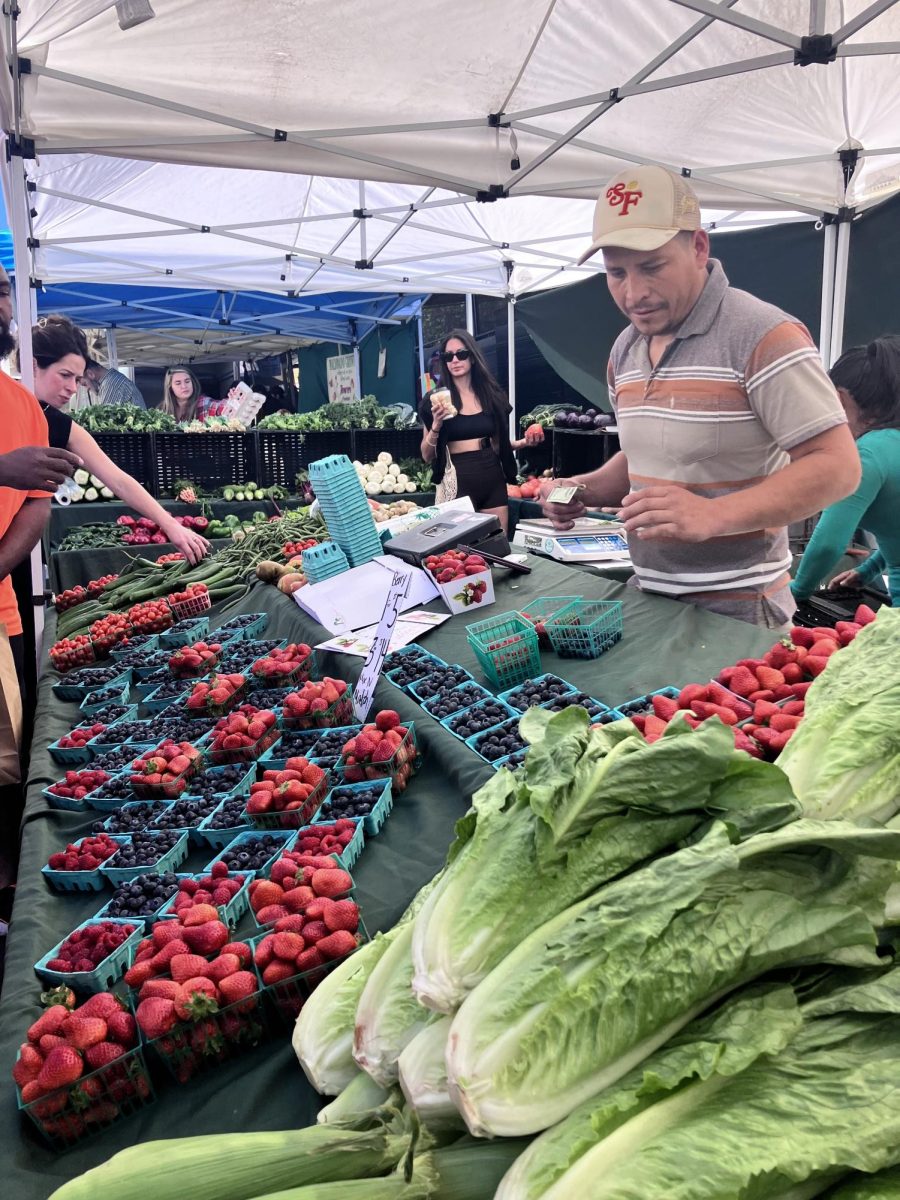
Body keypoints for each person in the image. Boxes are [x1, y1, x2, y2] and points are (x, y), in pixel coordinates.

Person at [539, 165, 860, 629]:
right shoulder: (624, 349)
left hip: (742, 613)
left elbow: (838, 466)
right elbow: (645, 458)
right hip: (649, 598)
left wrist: (714, 515)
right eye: (616, 273)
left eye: (652, 267)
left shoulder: (764, 335)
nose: (635, 293)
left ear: (699, 247)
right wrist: (580, 491)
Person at [30, 317, 209, 564]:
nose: (73, 388)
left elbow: (118, 479)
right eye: (65, 375)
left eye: (77, 379)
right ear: (33, 366)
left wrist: (170, 525)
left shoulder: (58, 422)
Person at [790, 337, 900, 607]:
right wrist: (867, 570)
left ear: (838, 398)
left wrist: (796, 592)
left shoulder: (867, 455)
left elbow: (829, 543)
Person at [419, 329, 543, 534]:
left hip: (491, 474)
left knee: (497, 544)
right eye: (448, 356)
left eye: (462, 354)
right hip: (457, 478)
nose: (455, 360)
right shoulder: (436, 400)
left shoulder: (491, 395)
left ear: (473, 357)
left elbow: (498, 443)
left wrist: (522, 443)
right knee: (458, 550)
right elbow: (426, 455)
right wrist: (436, 425)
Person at [82, 358, 146, 408]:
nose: (87, 389)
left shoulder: (110, 385)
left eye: (84, 384)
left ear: (90, 374)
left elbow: (106, 420)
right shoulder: (111, 380)